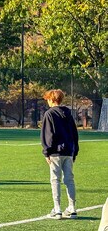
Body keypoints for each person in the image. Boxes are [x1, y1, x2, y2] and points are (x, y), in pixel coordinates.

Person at [41, 89, 79, 220]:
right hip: (68, 151)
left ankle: (57, 209)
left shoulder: (49, 114)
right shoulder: (68, 113)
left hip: (55, 153)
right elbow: (74, 133)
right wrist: (75, 151)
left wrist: (46, 152)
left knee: (55, 179)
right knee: (69, 179)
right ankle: (72, 208)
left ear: (51, 99)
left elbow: (48, 135)